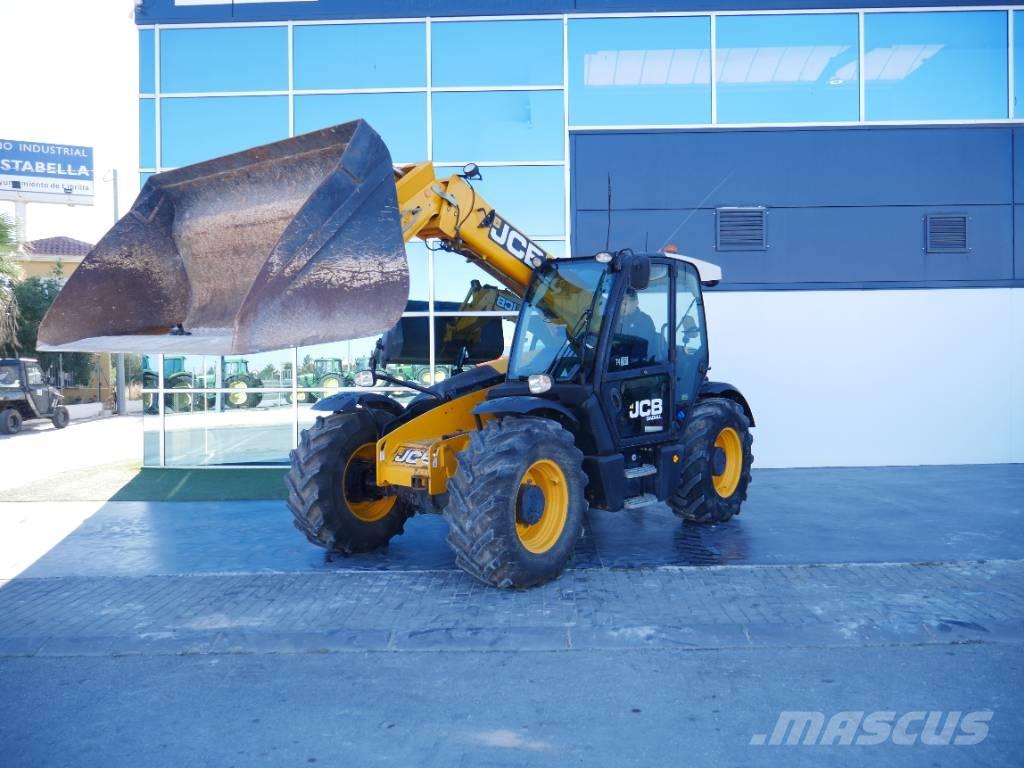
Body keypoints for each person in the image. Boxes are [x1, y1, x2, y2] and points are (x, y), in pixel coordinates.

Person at [617, 287, 660, 363]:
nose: (622, 305)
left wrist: (617, 361)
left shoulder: (644, 321)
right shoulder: (613, 320)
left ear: (635, 303)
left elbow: (638, 356)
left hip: (639, 366)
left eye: (625, 302)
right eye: (620, 301)